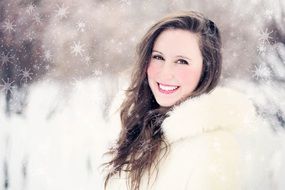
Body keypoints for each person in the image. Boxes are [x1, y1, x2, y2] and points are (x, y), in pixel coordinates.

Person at [102, 11, 278, 190]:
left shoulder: (213, 147)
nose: (165, 72)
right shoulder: (132, 124)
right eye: (158, 57)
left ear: (206, 69)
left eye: (182, 61)